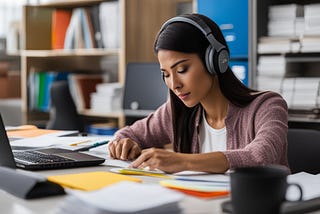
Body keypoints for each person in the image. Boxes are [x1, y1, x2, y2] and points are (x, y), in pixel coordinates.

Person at [108, 13, 289, 174]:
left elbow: (260, 157)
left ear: (216, 61)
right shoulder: (176, 111)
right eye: (166, 74)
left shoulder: (268, 106)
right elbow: (129, 133)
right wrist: (123, 144)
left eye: (182, 69)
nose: (174, 84)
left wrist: (182, 161)